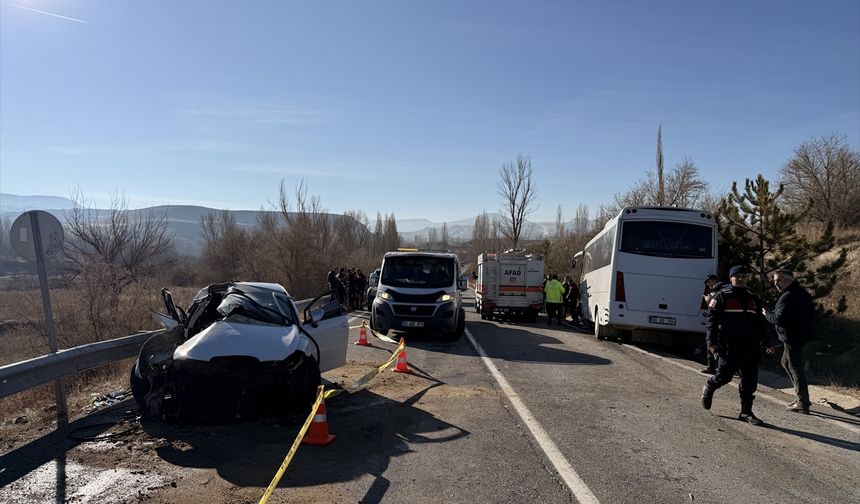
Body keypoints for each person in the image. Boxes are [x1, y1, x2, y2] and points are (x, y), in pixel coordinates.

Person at [701, 265, 774, 426]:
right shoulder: (722, 296)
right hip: (728, 345)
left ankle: (746, 412)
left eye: (744, 276)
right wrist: (711, 342)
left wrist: (766, 342)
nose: (741, 279)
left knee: (750, 381)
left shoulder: (753, 298)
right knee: (724, 376)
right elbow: (712, 321)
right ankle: (710, 385)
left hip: (750, 346)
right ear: (731, 278)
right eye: (738, 276)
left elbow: (760, 324)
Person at [763, 270, 815, 414]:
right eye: (774, 281)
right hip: (798, 335)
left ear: (787, 280)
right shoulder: (800, 292)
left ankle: (803, 403)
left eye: (779, 281)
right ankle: (801, 397)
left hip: (793, 337)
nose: (776, 284)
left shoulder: (788, 296)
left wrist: (767, 315)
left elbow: (779, 319)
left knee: (794, 367)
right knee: (785, 362)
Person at [700, 274, 723, 374]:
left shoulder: (717, 291)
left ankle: (712, 366)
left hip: (715, 322)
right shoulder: (724, 289)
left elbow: (714, 309)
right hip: (721, 323)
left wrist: (708, 301)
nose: (708, 285)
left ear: (713, 281)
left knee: (710, 343)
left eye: (708, 283)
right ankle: (715, 366)